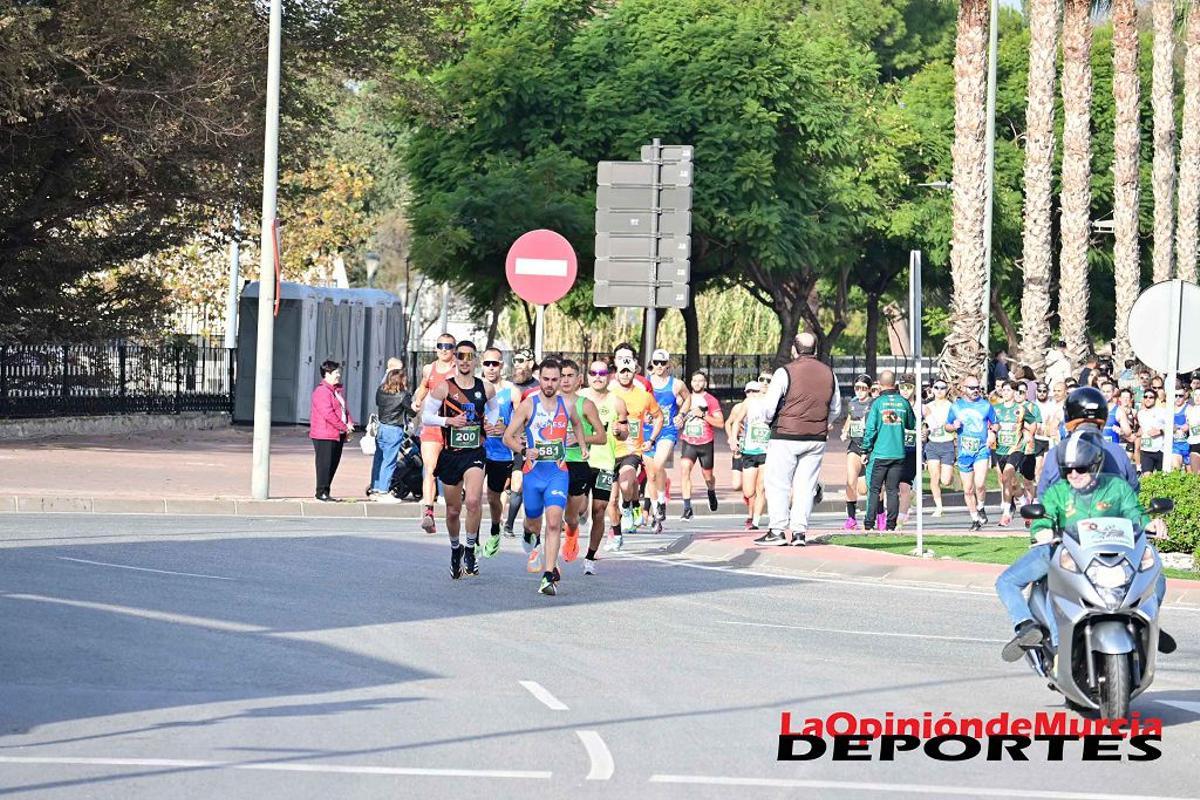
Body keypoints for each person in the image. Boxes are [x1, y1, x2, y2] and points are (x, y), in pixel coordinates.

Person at [994, 431, 1175, 661]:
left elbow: (1135, 513)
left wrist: (1151, 523)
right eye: (1067, 470)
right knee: (1007, 581)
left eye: (1081, 468)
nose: (1074, 474)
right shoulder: (1057, 492)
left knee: (1155, 575)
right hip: (1064, 551)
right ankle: (1028, 626)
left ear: (1095, 465)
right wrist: (1042, 530)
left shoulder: (1117, 487)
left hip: (1112, 552)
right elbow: (1043, 517)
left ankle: (1147, 621)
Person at [502, 358, 591, 596]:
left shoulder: (568, 405)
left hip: (557, 473)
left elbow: (578, 424)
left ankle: (548, 575)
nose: (550, 384)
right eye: (546, 379)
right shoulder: (528, 405)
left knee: (553, 523)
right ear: (539, 378)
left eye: (555, 379)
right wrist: (523, 450)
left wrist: (582, 445)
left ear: (560, 380)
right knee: (534, 521)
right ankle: (529, 534)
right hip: (533, 474)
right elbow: (508, 436)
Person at [420, 340, 498, 580]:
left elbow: (493, 411)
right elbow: (426, 416)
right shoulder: (444, 387)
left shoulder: (486, 388)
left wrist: (490, 425)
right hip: (451, 454)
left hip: (474, 453)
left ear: (475, 360)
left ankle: (471, 549)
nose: (465, 361)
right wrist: (448, 422)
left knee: (473, 501)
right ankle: (456, 549)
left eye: (469, 356)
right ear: (455, 359)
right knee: (453, 510)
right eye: (461, 356)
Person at [757, 332, 841, 546]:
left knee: (778, 483)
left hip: (785, 434)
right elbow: (836, 408)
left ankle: (777, 530)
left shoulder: (785, 372)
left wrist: (768, 421)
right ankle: (799, 533)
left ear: (794, 350)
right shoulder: (829, 373)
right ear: (814, 350)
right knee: (806, 485)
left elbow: (768, 407)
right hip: (816, 437)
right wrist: (822, 422)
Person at [1036, 387, 1140, 495]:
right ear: (1104, 416)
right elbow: (1133, 489)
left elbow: (1043, 494)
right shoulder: (1117, 451)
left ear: (1068, 416)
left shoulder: (1056, 453)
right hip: (1108, 510)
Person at [579, 359, 630, 573]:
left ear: (609, 375)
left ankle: (590, 557)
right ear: (588, 375)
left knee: (599, 510)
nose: (597, 376)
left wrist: (620, 432)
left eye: (602, 372)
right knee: (579, 508)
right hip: (580, 460)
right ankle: (572, 530)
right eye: (593, 372)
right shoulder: (579, 398)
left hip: (605, 463)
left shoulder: (617, 402)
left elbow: (626, 433)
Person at [558, 359, 609, 564]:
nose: (565, 380)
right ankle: (547, 559)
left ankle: (572, 532)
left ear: (579, 379)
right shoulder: (547, 402)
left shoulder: (585, 405)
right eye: (562, 375)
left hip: (578, 463)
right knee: (551, 511)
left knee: (572, 516)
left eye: (570, 375)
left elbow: (602, 437)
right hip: (554, 462)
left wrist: (579, 439)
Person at [609, 358, 663, 539]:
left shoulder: (644, 396)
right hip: (609, 450)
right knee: (611, 498)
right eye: (622, 371)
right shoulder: (609, 394)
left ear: (635, 373)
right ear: (616, 372)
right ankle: (629, 512)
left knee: (626, 483)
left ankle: (627, 509)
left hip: (632, 449)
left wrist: (652, 439)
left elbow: (659, 417)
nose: (625, 374)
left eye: (628, 371)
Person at [413, 333, 458, 533]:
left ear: (454, 349)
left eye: (448, 346)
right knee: (430, 469)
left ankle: (452, 510)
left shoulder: (459, 369)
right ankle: (428, 513)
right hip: (432, 425)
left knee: (453, 473)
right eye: (440, 345)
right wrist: (417, 400)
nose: (444, 349)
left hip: (454, 426)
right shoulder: (429, 369)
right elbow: (423, 387)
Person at [860, 370, 915, 532]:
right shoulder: (904, 403)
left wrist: (865, 449)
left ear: (879, 383)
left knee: (874, 490)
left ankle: (869, 524)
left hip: (880, 454)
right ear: (894, 383)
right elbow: (911, 424)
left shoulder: (877, 403)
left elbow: (870, 429)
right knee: (892, 490)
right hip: (898, 453)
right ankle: (891, 525)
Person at [945, 376, 997, 531]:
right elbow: (946, 426)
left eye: (977, 388)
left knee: (980, 483)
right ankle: (975, 518)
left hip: (981, 449)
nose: (975, 391)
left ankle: (980, 506)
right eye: (971, 388)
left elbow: (996, 423)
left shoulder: (985, 406)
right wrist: (953, 426)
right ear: (963, 388)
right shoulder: (956, 406)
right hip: (964, 451)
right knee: (968, 489)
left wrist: (992, 431)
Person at [644, 349, 689, 522]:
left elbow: (688, 398)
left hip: (667, 431)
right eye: (656, 362)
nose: (659, 366)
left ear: (668, 364)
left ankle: (661, 501)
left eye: (663, 363)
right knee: (652, 474)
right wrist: (643, 415)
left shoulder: (676, 384)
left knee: (658, 464)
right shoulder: (645, 384)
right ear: (652, 364)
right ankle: (657, 509)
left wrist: (681, 415)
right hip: (647, 432)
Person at [480, 348, 516, 554]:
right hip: (478, 451)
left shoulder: (511, 391)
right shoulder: (474, 388)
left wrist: (508, 429)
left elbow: (523, 420)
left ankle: (495, 530)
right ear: (482, 364)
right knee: (474, 499)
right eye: (487, 364)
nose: (491, 367)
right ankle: (472, 542)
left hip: (501, 453)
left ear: (502, 365)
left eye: (495, 363)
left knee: (494, 498)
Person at [501, 347, 540, 536]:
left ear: (530, 363)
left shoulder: (540, 388)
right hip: (510, 442)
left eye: (521, 360)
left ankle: (520, 526)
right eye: (514, 361)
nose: (517, 365)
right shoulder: (508, 387)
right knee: (511, 484)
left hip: (534, 444)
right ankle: (503, 524)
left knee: (527, 484)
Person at [726, 381, 771, 535]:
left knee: (761, 487)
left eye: (758, 391)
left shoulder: (772, 403)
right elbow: (736, 421)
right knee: (748, 490)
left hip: (766, 450)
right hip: (749, 451)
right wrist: (733, 439)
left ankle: (756, 521)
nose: (755, 394)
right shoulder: (748, 404)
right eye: (751, 391)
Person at [678, 370, 723, 518]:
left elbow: (720, 423)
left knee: (708, 477)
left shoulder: (711, 400)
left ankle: (711, 491)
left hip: (705, 443)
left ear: (705, 383)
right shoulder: (686, 399)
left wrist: (703, 415)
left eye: (700, 381)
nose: (697, 383)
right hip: (688, 441)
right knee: (685, 470)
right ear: (690, 383)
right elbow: (677, 416)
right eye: (694, 381)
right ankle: (687, 507)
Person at [309, 360, 355, 501]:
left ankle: (326, 491)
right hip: (324, 434)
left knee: (333, 463)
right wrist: (343, 426)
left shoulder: (335, 391)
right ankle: (321, 491)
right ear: (327, 374)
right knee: (324, 464)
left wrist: (349, 423)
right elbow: (328, 414)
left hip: (336, 434)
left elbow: (343, 410)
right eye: (336, 372)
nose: (338, 375)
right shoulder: (321, 391)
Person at [369, 367, 412, 501]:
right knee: (389, 461)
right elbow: (411, 411)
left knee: (379, 458)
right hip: (394, 428)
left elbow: (377, 403)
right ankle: (383, 491)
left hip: (381, 427)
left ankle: (375, 489)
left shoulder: (381, 391)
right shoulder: (403, 395)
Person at [992, 380, 1026, 527]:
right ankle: (1024, 501)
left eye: (1008, 390)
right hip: (1000, 449)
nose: (1005, 393)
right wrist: (991, 431)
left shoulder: (1021, 409)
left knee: (1006, 477)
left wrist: (1028, 435)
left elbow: (1032, 425)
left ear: (1014, 392)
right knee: (1011, 483)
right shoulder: (996, 409)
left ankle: (1006, 513)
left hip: (1016, 449)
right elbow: (990, 425)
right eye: (1003, 390)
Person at [841, 376, 873, 528]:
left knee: (864, 489)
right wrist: (845, 430)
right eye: (857, 388)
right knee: (850, 480)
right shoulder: (852, 403)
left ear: (869, 389)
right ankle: (851, 518)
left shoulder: (873, 404)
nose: (860, 391)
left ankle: (877, 513)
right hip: (854, 446)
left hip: (869, 447)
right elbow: (850, 418)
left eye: (863, 388)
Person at [923, 379, 956, 517]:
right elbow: (925, 425)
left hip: (947, 444)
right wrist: (924, 431)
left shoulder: (951, 406)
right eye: (936, 387)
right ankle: (939, 507)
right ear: (932, 389)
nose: (939, 390)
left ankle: (951, 476)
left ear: (947, 390)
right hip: (932, 444)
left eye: (942, 388)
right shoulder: (927, 406)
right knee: (934, 477)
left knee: (945, 480)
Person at [1136, 388, 1167, 474]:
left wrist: (1160, 431)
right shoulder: (1140, 414)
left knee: (1161, 479)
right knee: (1146, 477)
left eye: (1151, 397)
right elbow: (1141, 429)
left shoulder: (1162, 412)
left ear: (1155, 399)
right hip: (1146, 450)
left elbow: (1173, 427)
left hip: (1160, 450)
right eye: (1146, 397)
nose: (1148, 399)